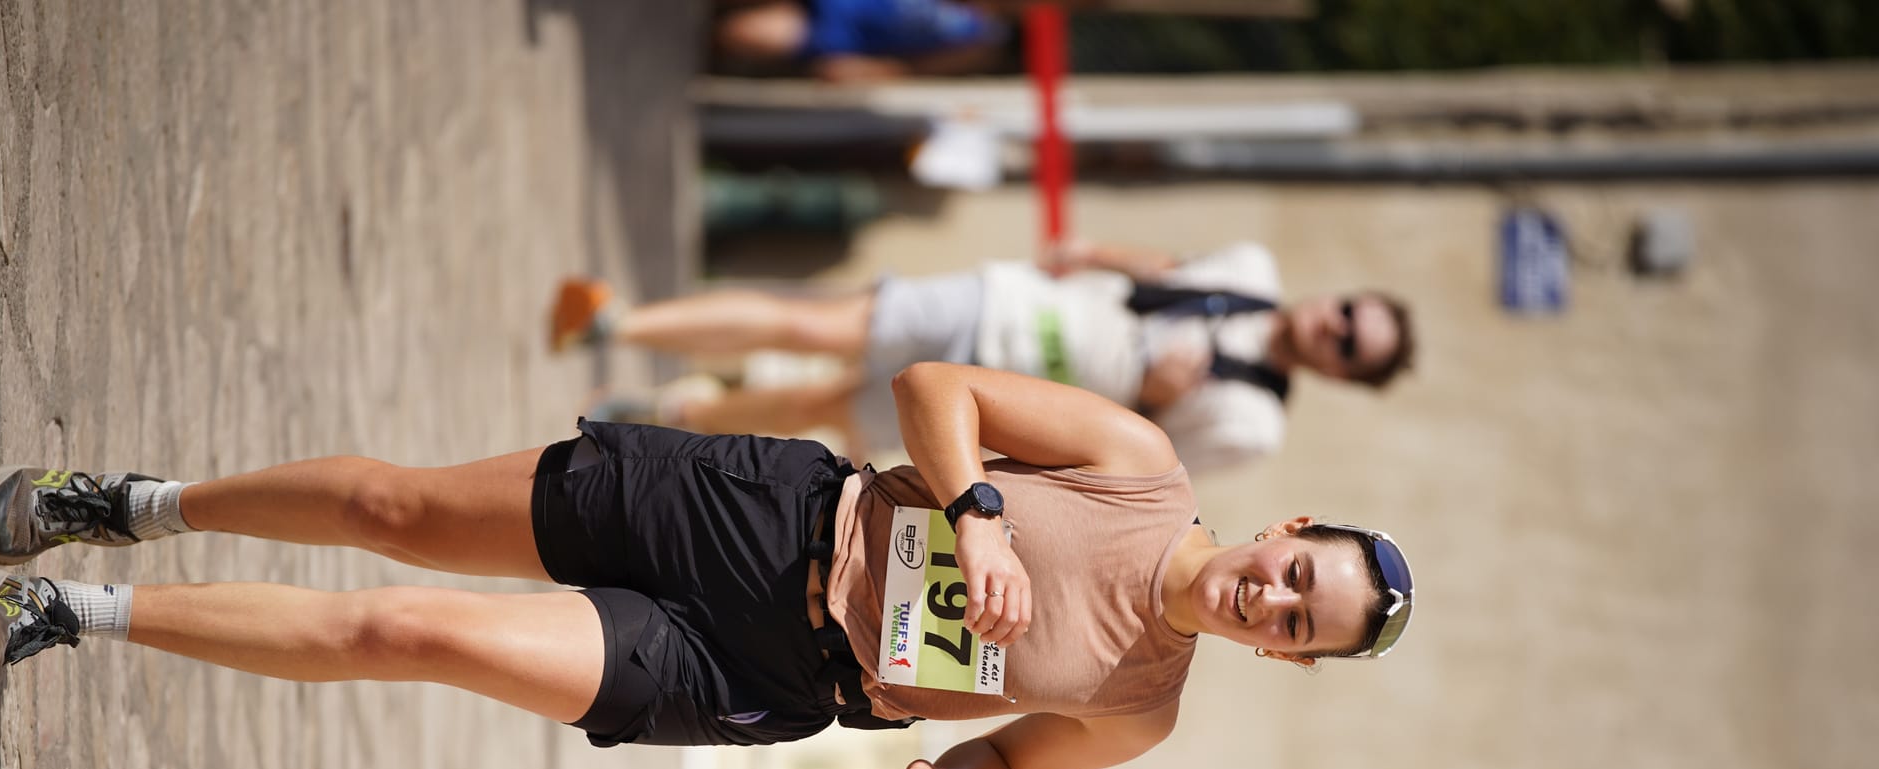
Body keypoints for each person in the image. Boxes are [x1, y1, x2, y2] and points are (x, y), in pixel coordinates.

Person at [0, 364, 1413, 769]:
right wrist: (976, 515)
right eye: (1298, 574)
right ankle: (130, 503)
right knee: (396, 512)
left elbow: (1009, 763)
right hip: (761, 510)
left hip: (762, 673)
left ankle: (72, 617)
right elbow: (933, 389)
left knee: (414, 633)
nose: (1272, 600)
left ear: (1286, 660)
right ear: (1286, 528)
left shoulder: (1140, 713)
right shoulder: (1140, 465)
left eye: (1298, 625)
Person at [548, 237, 1415, 468]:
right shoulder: (1254, 271)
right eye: (1349, 312)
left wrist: (1154, 395)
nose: (1333, 327)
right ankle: (617, 323)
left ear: (1343, 376)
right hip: (1006, 303)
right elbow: (1169, 269)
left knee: (817, 407)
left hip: (991, 396)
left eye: (1349, 345)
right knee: (814, 327)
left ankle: (658, 414)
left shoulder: (1253, 423)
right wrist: (1096, 252)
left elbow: (1134, 465)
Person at [712, 0, 1014, 83]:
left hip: (844, 34)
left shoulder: (980, 43)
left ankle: (714, 42)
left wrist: (865, 70)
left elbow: (912, 69)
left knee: (748, 32)